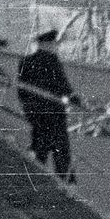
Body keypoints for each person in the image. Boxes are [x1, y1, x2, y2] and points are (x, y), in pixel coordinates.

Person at [18, 27, 81, 182]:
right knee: (61, 150)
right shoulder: (52, 62)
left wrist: (30, 109)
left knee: (40, 147)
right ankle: (66, 183)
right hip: (54, 115)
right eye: (53, 44)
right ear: (48, 44)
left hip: (36, 115)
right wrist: (76, 101)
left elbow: (22, 92)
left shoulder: (25, 62)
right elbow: (64, 87)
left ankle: (33, 180)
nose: (55, 47)